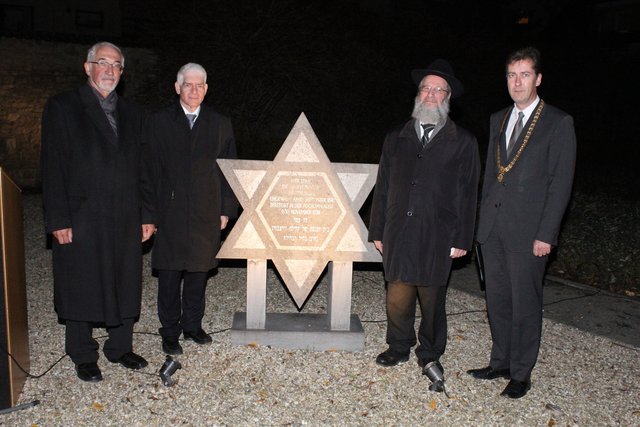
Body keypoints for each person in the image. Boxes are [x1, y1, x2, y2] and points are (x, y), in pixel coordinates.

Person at [41, 42, 155, 382]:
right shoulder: (63, 107)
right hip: (81, 215)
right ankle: (82, 352)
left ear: (122, 72)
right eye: (102, 62)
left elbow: (145, 168)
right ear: (87, 67)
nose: (109, 70)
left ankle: (119, 347)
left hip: (124, 213)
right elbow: (52, 166)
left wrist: (148, 213)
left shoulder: (135, 114)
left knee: (124, 279)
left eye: (116, 65)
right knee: (80, 282)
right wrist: (58, 218)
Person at [468, 47, 576, 399]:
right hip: (494, 229)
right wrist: (481, 225)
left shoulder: (558, 122)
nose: (517, 82)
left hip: (530, 233)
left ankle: (521, 371)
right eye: (512, 75)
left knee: (525, 304)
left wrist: (547, 234)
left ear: (538, 78)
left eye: (525, 74)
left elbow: (561, 183)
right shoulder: (498, 117)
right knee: (497, 300)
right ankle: (500, 361)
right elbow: (490, 176)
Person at [368, 59, 480, 391]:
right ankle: (398, 346)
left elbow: (469, 193)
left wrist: (462, 236)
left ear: (448, 97)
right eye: (426, 88)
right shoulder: (396, 137)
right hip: (398, 230)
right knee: (397, 294)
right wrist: (377, 230)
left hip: (438, 232)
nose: (431, 94)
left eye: (438, 89)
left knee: (432, 298)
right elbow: (383, 185)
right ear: (418, 94)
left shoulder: (463, 142)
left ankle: (429, 352)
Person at [141, 63, 238, 356]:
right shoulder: (158, 121)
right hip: (169, 212)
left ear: (206, 89)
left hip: (205, 211)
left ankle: (192, 326)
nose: (193, 91)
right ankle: (169, 331)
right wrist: (149, 214)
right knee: (170, 276)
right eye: (188, 85)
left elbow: (228, 170)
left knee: (198, 272)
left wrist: (225, 209)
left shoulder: (221, 124)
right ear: (177, 87)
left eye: (199, 86)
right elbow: (147, 170)